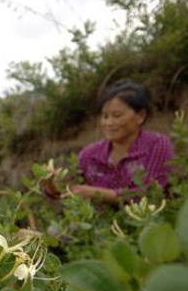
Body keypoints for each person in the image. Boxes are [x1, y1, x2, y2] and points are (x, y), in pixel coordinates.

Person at [43, 80, 174, 203]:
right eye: (105, 116)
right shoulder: (89, 154)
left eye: (116, 116)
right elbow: (65, 190)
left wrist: (98, 194)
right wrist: (51, 184)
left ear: (140, 116)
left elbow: (151, 195)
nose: (108, 123)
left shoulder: (157, 144)